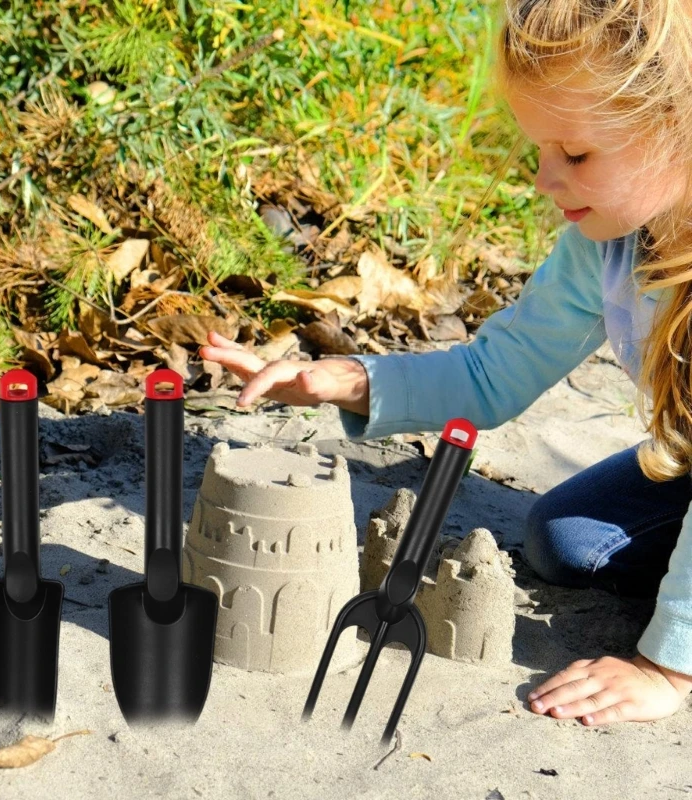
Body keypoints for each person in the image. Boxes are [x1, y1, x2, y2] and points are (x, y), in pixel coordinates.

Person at [200, 0, 692, 726]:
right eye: (540, 149)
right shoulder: (609, 244)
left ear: (676, 126)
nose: (544, 179)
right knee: (567, 543)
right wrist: (357, 380)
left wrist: (667, 667)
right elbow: (497, 372)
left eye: (576, 154)